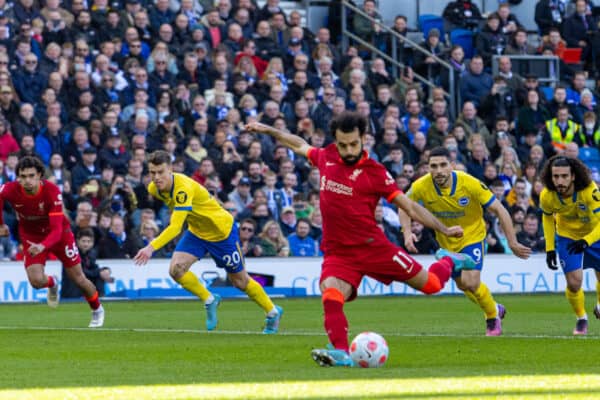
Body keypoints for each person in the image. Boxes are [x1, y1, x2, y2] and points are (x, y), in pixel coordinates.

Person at [245, 112, 475, 368]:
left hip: (374, 249)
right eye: (343, 145)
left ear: (363, 139)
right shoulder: (327, 157)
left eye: (354, 144)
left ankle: (447, 261)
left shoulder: (375, 172)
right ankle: (342, 353)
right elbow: (298, 143)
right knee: (330, 295)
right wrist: (268, 130)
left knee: (432, 285)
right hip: (339, 254)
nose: (348, 150)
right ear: (336, 141)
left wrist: (444, 228)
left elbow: (409, 207)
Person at [133, 150, 283, 333]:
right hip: (197, 232)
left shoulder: (183, 188)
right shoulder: (153, 189)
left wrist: (151, 247)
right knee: (176, 269)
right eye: (152, 173)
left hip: (221, 233)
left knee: (240, 282)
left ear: (170, 169)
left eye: (160, 172)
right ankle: (210, 299)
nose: (156, 177)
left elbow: (175, 227)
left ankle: (272, 312)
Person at [400, 147, 532, 336]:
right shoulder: (422, 185)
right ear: (428, 168)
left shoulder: (469, 183)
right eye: (434, 166)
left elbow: (500, 210)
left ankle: (492, 317)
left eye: (443, 165)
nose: (438, 170)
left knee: (471, 281)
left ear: (452, 166)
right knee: (464, 286)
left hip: (472, 236)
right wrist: (406, 233)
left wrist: (512, 242)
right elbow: (403, 205)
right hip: (447, 243)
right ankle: (494, 306)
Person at [0, 156, 104, 327]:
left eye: (31, 175)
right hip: (31, 236)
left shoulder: (52, 191)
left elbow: (56, 230)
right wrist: (1, 223)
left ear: (40, 175)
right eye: (23, 176)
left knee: (79, 279)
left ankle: (97, 309)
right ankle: (52, 282)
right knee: (36, 281)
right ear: (18, 177)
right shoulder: (11, 189)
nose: (27, 180)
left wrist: (42, 246)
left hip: (60, 235)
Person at [540, 155, 600, 335]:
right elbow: (548, 217)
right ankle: (581, 318)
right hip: (568, 237)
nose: (560, 181)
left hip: (594, 235)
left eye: (564, 176)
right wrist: (550, 248)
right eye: (555, 176)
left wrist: (587, 241)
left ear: (573, 176)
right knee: (574, 283)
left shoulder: (590, 191)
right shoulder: (547, 195)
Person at [61, 228, 114, 298]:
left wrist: (105, 270)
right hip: (72, 289)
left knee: (100, 276)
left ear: (92, 243)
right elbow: (81, 272)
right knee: (96, 275)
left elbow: (94, 267)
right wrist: (99, 272)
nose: (86, 244)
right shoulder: (71, 253)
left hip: (82, 284)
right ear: (77, 241)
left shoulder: (90, 254)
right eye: (83, 241)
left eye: (89, 241)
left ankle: (100, 299)